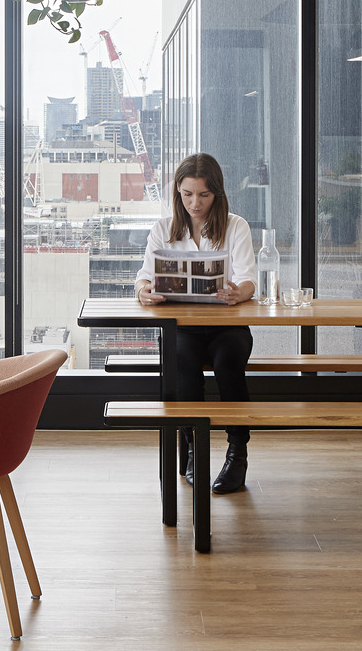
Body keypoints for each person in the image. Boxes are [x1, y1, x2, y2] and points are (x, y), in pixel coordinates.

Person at [133, 153, 256, 495]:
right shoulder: (163, 229)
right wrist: (144, 292)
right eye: (187, 194)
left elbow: (248, 280)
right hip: (183, 327)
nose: (194, 203)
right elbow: (143, 278)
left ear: (216, 193)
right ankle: (191, 449)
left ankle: (237, 453)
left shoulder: (236, 226)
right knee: (182, 365)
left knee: (229, 365)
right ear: (177, 192)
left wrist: (238, 293)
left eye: (203, 195)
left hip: (227, 327)